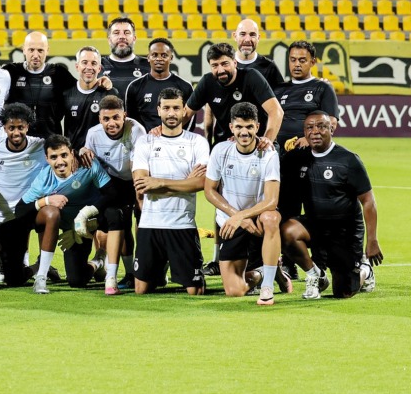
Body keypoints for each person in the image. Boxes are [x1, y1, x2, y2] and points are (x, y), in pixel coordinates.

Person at [279, 111, 382, 299]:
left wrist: (372, 240)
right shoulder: (298, 158)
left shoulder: (349, 160)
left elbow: (368, 201)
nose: (315, 132)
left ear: (331, 129)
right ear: (304, 132)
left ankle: (365, 269)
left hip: (344, 232)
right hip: (315, 226)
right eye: (309, 127)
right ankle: (315, 275)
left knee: (343, 291)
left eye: (321, 126)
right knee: (286, 231)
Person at [131, 88, 210, 296]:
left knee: (195, 291)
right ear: (159, 110)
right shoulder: (145, 141)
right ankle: (161, 267)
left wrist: (159, 183)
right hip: (151, 224)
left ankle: (169, 263)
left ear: (184, 111)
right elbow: (141, 185)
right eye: (166, 108)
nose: (171, 113)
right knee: (141, 290)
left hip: (182, 224)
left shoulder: (197, 142)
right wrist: (184, 183)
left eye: (176, 108)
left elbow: (201, 183)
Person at [204, 102, 284, 305]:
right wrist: (234, 215)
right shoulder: (221, 150)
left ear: (257, 127)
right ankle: (264, 273)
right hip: (230, 224)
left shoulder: (269, 154)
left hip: (256, 222)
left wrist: (242, 216)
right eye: (239, 127)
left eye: (249, 127)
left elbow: (272, 201)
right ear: (231, 127)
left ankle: (267, 285)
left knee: (271, 218)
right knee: (234, 291)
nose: (244, 132)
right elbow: (209, 190)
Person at [18, 135, 114, 293]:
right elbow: (20, 210)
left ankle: (100, 258)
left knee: (77, 280)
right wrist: (46, 200)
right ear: (47, 159)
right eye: (54, 157)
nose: (60, 162)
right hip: (62, 223)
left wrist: (87, 219)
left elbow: (112, 194)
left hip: (84, 224)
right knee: (51, 212)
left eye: (64, 155)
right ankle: (42, 276)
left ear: (72, 154)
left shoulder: (88, 166)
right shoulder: (44, 179)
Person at [0, 103, 50, 289]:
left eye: (20, 127)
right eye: (11, 128)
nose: (16, 132)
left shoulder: (40, 146)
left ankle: (45, 268)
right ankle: (36, 267)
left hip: (32, 212)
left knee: (51, 213)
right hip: (7, 220)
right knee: (13, 279)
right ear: (4, 128)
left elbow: (66, 149)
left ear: (27, 127)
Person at [80, 95, 145, 293]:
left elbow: (138, 167)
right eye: (106, 119)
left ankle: (147, 269)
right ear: (99, 119)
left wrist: (139, 200)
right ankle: (129, 274)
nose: (112, 123)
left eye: (116, 117)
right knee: (122, 225)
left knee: (143, 226)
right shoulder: (93, 134)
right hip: (111, 184)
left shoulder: (136, 130)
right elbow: (91, 166)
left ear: (124, 115)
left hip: (137, 179)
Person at [182, 43, 283, 147]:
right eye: (215, 65)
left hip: (256, 142)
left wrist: (267, 139)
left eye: (225, 64)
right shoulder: (207, 82)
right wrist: (166, 131)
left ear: (235, 63)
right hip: (225, 144)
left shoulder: (251, 77)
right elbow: (185, 114)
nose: (220, 70)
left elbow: (276, 111)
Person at [3, 31, 77, 137]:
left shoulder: (59, 73)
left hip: (50, 143)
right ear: (24, 49)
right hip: (18, 143)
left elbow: (82, 91)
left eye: (40, 50)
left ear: (47, 50)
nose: (36, 55)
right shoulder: (10, 72)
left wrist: (99, 83)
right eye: (31, 50)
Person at [274, 41, 339, 152]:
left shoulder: (323, 88)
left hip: (309, 151)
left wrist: (309, 139)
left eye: (302, 60)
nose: (297, 64)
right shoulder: (279, 89)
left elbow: (331, 122)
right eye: (293, 60)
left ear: (312, 62)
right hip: (279, 151)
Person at [124, 38, 193, 133]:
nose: (159, 59)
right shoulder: (135, 86)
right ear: (148, 57)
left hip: (175, 142)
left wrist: (175, 136)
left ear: (171, 58)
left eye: (164, 55)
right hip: (146, 142)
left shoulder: (185, 87)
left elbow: (189, 119)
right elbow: (131, 121)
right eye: (154, 55)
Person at [62, 46, 118, 150]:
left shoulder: (110, 93)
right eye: (84, 62)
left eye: (93, 63)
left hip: (102, 157)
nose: (89, 67)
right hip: (75, 158)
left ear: (99, 68)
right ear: (77, 66)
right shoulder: (66, 94)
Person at [102, 16, 150, 97]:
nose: (122, 37)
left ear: (134, 39)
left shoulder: (148, 66)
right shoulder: (97, 65)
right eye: (116, 33)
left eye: (126, 32)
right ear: (109, 40)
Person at [232, 18, 283, 89]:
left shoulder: (269, 67)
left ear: (258, 38)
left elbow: (280, 96)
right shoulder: (225, 65)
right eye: (242, 34)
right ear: (235, 36)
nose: (247, 40)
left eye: (252, 35)